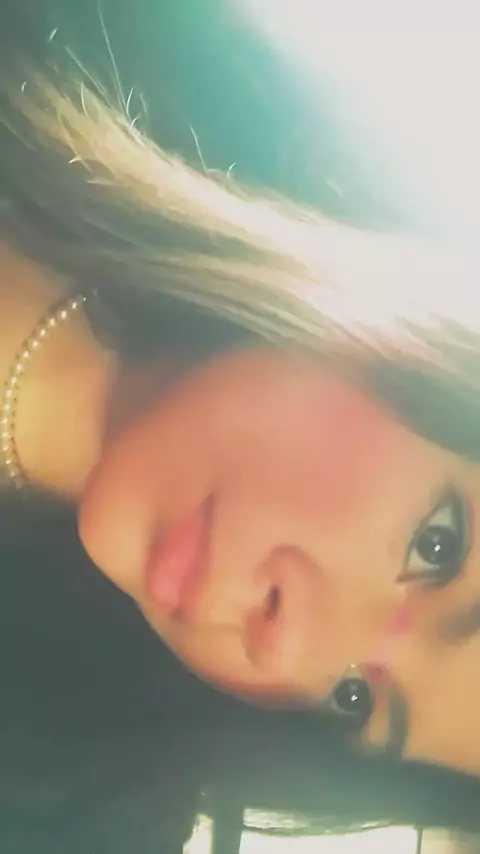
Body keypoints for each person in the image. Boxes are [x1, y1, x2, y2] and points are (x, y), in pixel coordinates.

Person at [2, 3, 480, 849]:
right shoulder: (127, 39)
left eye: (352, 699)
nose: (285, 645)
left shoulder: (60, 802)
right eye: (436, 545)